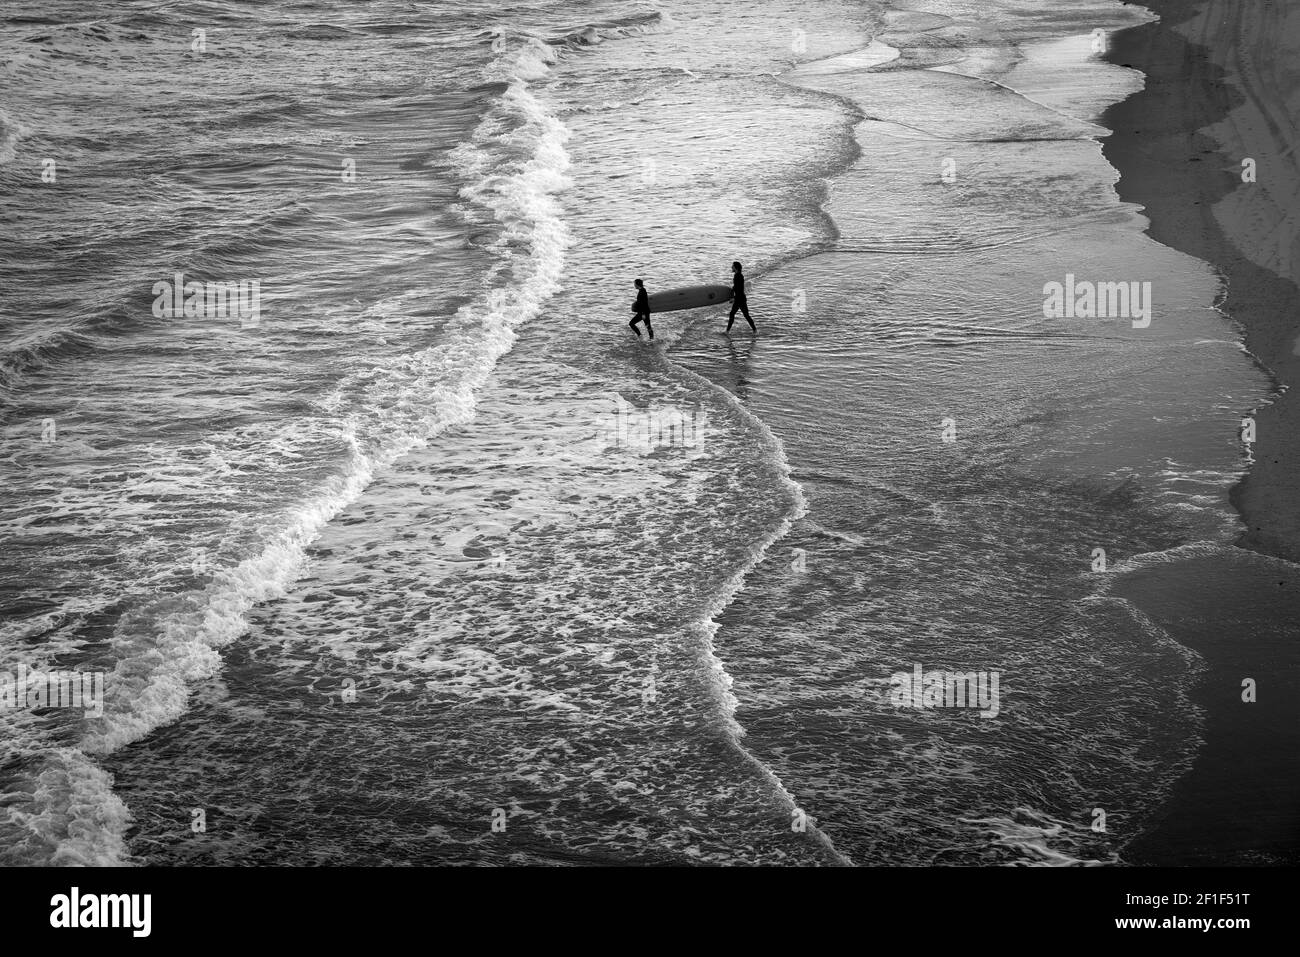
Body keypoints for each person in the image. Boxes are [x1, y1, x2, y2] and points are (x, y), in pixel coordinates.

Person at [727, 261, 755, 332]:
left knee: (735, 314)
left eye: (732, 266)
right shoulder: (739, 275)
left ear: (735, 267)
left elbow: (738, 288)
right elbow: (737, 287)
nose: (731, 267)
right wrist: (732, 290)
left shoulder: (737, 276)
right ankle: (755, 330)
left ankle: (727, 331)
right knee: (744, 315)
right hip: (741, 298)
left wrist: (733, 298)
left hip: (739, 299)